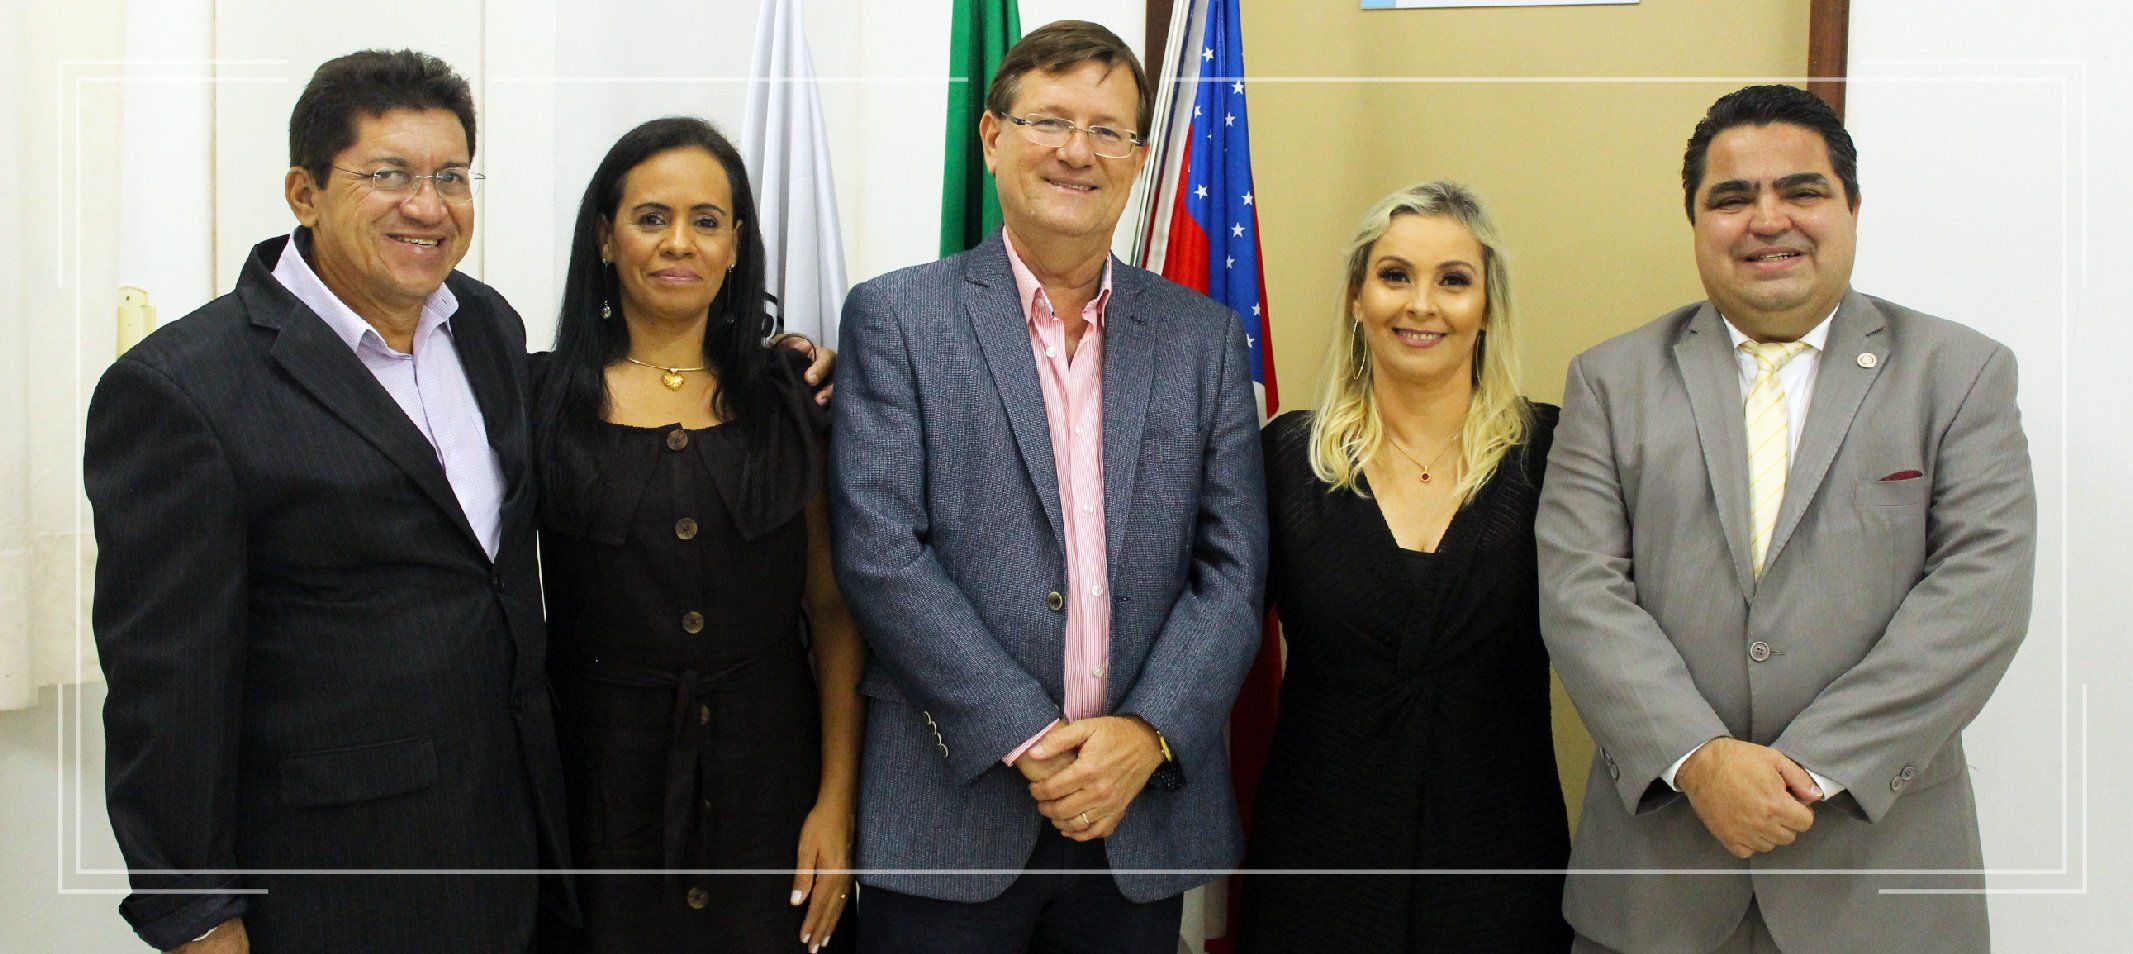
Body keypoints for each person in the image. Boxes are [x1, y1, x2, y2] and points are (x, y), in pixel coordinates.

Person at [84, 50, 570, 952]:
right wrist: (195, 913)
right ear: (303, 193)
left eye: (451, 176)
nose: (428, 206)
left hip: (511, 848)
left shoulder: (485, 324)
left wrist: (775, 371)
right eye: (387, 175)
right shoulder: (184, 389)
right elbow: (167, 690)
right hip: (332, 882)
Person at [1538, 84, 2036, 952]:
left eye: (1800, 191)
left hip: (1881, 889)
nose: (1767, 220)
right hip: (1657, 891)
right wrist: (1700, 760)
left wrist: (1809, 771)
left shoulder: (1959, 374)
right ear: (1696, 222)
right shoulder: (1609, 382)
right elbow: (1580, 592)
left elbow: (1978, 600)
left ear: (1851, 207)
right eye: (1731, 198)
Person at [827, 20, 1268, 954]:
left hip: (1131, 815)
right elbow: (880, 552)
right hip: (949, 814)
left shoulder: (1201, 340)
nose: (1077, 151)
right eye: (1050, 121)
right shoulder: (896, 318)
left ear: (1138, 158)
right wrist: (1029, 735)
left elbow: (1232, 572)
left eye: (1107, 130)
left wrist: (1147, 733)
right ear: (991, 137)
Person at [529, 116, 863, 954]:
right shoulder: (537, 399)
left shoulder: (792, 397)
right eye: (651, 218)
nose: (679, 242)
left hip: (773, 792)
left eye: (705, 220)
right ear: (605, 237)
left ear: (736, 244)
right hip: (597, 798)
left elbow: (832, 611)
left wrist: (836, 803)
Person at [1239, 181, 1570, 952]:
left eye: (1453, 280)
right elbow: (1209, 632)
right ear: (1356, 297)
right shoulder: (1286, 460)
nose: (1421, 304)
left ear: (1486, 306)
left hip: (1500, 862)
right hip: (1318, 863)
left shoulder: (1555, 455)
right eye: (1394, 276)